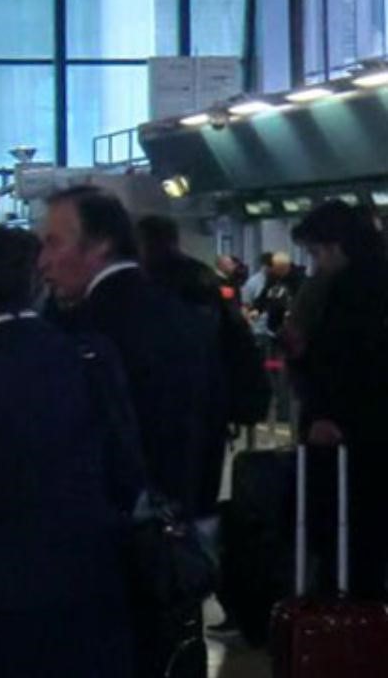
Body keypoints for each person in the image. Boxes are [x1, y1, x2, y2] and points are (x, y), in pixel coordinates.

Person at [0, 226, 143, 678]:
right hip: (93, 552)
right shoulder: (90, 354)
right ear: (38, 283)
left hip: (9, 560)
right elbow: (127, 458)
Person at [39, 186, 219, 678]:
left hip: (103, 543)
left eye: (54, 243)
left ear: (99, 246)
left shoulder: (86, 330)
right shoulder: (178, 314)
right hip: (170, 531)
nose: (44, 261)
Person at [287, 202, 388, 599]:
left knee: (344, 534)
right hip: (374, 427)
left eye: (315, 253)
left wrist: (325, 411)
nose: (315, 263)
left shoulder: (348, 290)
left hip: (344, 433)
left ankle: (343, 618)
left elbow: (341, 359)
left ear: (335, 247)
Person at [137, 215, 270, 499]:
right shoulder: (202, 278)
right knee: (201, 491)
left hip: (159, 410)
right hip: (210, 402)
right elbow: (235, 338)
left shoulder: (142, 284)